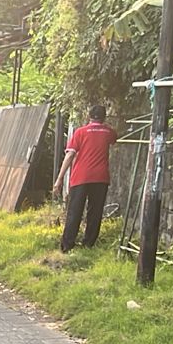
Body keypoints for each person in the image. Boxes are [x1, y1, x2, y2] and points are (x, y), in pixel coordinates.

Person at [53, 105, 118, 251]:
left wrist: (59, 179)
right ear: (104, 117)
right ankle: (89, 244)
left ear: (88, 116)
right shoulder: (109, 132)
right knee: (95, 212)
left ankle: (67, 245)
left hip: (80, 177)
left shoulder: (80, 132)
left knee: (75, 211)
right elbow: (114, 139)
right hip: (101, 178)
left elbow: (70, 155)